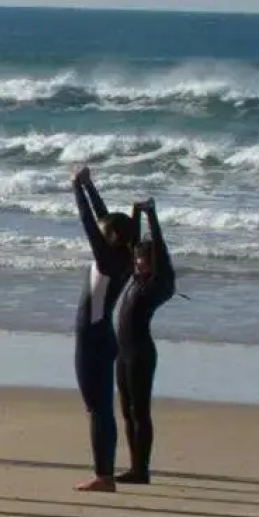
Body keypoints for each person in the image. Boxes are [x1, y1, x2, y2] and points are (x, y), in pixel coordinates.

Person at [71, 166, 137, 493]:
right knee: (99, 408)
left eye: (105, 230)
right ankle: (105, 472)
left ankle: (104, 476)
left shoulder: (109, 259)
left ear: (111, 237)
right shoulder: (121, 254)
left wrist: (75, 186)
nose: (101, 227)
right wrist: (89, 184)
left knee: (97, 409)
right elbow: (102, 217)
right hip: (100, 335)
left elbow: (89, 222)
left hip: (93, 338)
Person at [115, 198, 175, 484]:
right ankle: (134, 465)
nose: (138, 262)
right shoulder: (135, 278)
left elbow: (160, 249)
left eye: (143, 258)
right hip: (122, 353)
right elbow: (134, 242)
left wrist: (152, 214)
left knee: (140, 411)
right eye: (137, 258)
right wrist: (135, 212)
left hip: (140, 353)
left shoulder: (156, 283)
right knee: (126, 411)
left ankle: (143, 469)